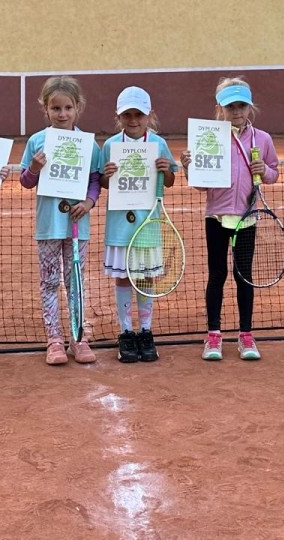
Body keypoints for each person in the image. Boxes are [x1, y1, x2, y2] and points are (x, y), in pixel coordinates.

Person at [179, 77, 279, 362]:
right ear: (220, 109)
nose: (236, 111)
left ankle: (246, 335)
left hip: (247, 217)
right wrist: (189, 169)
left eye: (241, 106)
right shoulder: (209, 138)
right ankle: (213, 335)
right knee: (217, 275)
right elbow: (200, 186)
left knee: (243, 276)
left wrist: (264, 170)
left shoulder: (263, 139)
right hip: (216, 217)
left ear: (250, 107)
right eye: (230, 106)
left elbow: (273, 173)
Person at [19, 76, 104, 366]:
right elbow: (25, 181)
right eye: (56, 108)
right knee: (49, 282)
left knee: (74, 282)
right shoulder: (36, 141)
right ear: (45, 108)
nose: (62, 114)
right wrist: (34, 167)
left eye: (68, 108)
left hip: (78, 226)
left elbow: (95, 180)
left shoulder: (88, 144)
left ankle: (78, 338)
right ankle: (54, 339)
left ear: (78, 107)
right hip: (49, 225)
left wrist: (88, 203)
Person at [99, 87, 178, 364]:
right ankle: (125, 333)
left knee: (145, 279)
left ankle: (145, 331)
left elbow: (170, 181)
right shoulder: (110, 146)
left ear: (149, 115)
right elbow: (103, 183)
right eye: (127, 115)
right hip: (119, 226)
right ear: (119, 116)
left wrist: (165, 169)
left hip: (148, 225)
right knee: (123, 277)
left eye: (138, 115)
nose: (133, 120)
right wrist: (107, 174)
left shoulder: (158, 144)